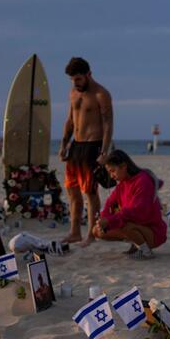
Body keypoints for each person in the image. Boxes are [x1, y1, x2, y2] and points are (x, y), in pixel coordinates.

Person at [59, 57, 113, 247]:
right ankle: (75, 232)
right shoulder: (73, 93)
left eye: (79, 79)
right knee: (72, 191)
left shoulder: (101, 94)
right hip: (76, 146)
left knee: (90, 193)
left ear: (89, 74)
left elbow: (108, 124)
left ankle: (91, 234)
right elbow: (70, 119)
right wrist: (64, 143)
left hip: (93, 146)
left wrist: (104, 151)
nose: (76, 83)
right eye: (73, 80)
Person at [91, 149, 166, 259]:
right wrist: (103, 219)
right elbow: (109, 204)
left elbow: (137, 211)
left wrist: (110, 220)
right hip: (135, 226)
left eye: (113, 171)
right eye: (109, 172)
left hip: (153, 231)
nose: (111, 176)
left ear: (123, 166)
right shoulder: (122, 184)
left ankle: (146, 251)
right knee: (97, 231)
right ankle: (135, 245)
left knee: (124, 224)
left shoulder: (143, 180)